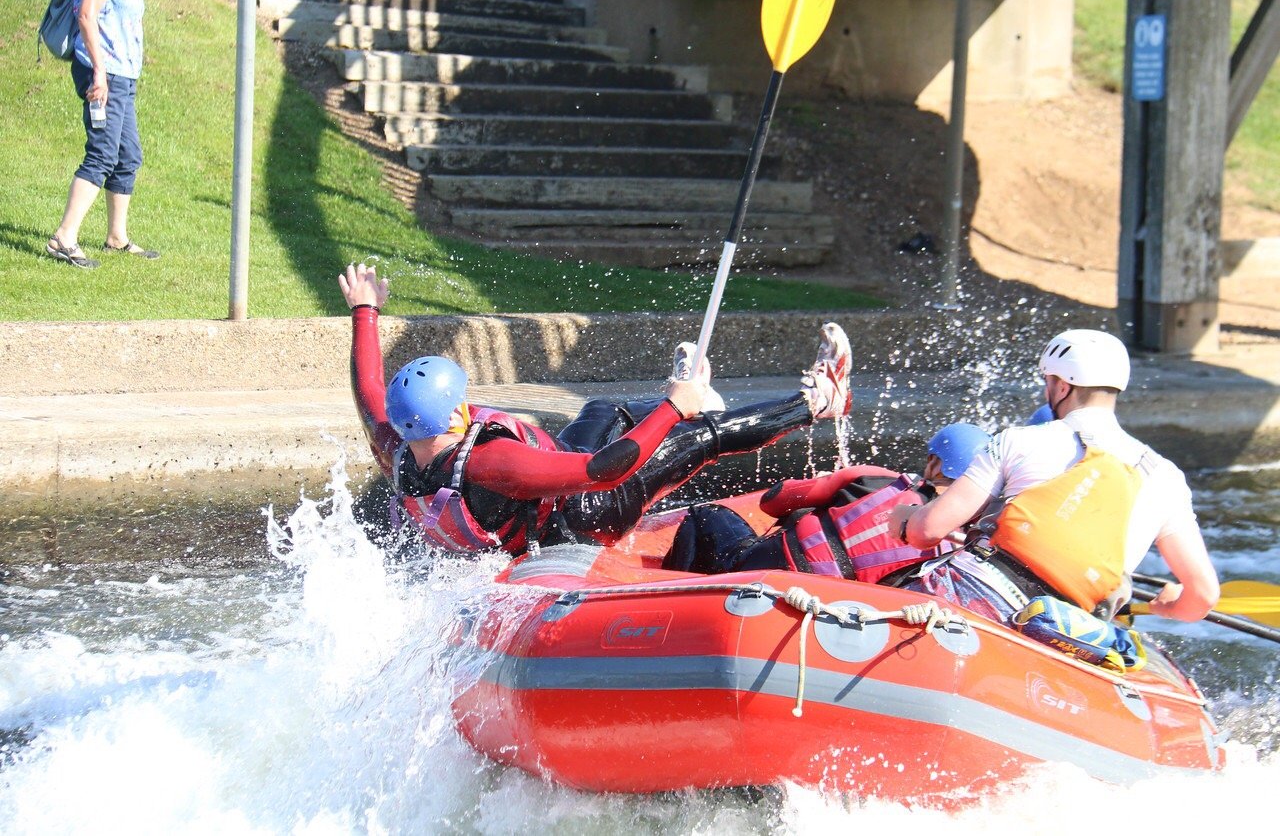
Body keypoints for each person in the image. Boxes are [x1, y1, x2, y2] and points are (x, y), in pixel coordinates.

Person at [339, 263, 853, 554]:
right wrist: (673, 410)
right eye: (464, 399)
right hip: (584, 515)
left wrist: (365, 310)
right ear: (454, 415)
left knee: (603, 409)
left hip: (546, 494)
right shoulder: (491, 463)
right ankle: (821, 401)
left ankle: (694, 398)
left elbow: (369, 390)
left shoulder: (396, 448)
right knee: (698, 440)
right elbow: (603, 470)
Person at [890, 329, 1220, 625]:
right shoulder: (1168, 479)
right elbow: (1203, 595)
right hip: (1060, 628)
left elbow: (928, 531)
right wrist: (1170, 607)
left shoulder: (1018, 440)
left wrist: (906, 519)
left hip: (976, 595)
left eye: (1048, 382)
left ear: (1062, 386)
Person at [662, 422, 992, 582]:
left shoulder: (878, 478)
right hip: (827, 609)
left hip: (762, 570)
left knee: (705, 514)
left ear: (935, 463)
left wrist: (827, 485)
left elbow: (773, 501)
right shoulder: (949, 548)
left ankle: (674, 592)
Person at [46, 0, 159, 270]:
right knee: (102, 154)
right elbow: (86, 14)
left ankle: (116, 237)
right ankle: (64, 237)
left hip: (122, 75)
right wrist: (98, 71)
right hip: (104, 75)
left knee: (127, 154)